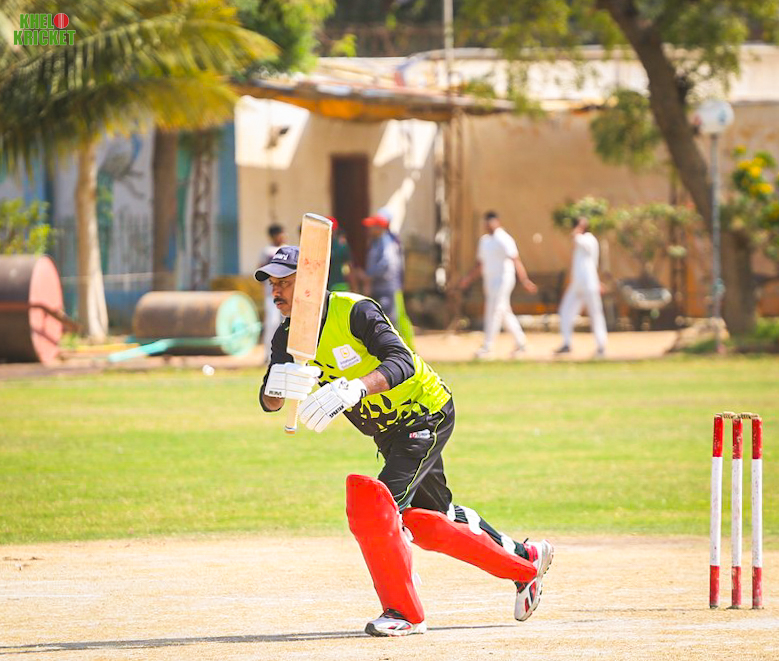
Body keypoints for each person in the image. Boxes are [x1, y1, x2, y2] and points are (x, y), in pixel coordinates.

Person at [255, 246, 553, 637]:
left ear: (311, 282)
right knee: (432, 521)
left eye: (285, 282)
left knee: (376, 509)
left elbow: (402, 361)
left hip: (424, 411)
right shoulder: (288, 336)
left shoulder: (354, 310)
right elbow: (270, 401)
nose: (276, 292)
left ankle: (403, 612)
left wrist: (355, 388)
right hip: (389, 430)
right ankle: (526, 563)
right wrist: (278, 387)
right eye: (273, 284)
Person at [459, 211, 537, 360]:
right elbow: (480, 264)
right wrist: (468, 279)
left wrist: (524, 280)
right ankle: (521, 343)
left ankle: (487, 347)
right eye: (486, 222)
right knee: (504, 312)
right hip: (489, 281)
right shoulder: (484, 241)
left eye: (491, 222)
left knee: (494, 311)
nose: (488, 225)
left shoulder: (504, 238)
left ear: (497, 222)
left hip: (503, 279)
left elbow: (515, 259)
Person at [555, 217, 608, 357]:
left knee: (595, 314)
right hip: (577, 285)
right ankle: (566, 343)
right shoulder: (579, 241)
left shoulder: (589, 239)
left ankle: (601, 346)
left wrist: (580, 227)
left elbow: (577, 238)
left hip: (589, 284)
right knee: (565, 311)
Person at [362, 213, 403, 325]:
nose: (369, 229)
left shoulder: (385, 242)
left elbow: (387, 263)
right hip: (378, 288)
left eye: (371, 227)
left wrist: (370, 275)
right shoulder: (376, 242)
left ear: (379, 228)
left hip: (385, 289)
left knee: (387, 322)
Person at [257, 223, 287, 363]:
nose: (283, 236)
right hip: (272, 294)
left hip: (287, 295)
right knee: (272, 323)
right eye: (280, 233)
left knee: (285, 324)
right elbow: (260, 270)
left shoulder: (287, 250)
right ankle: (268, 355)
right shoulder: (267, 251)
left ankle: (284, 355)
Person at [326, 217, 356, 292]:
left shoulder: (341, 246)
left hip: (338, 284)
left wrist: (353, 287)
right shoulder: (318, 245)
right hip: (323, 285)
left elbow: (349, 267)